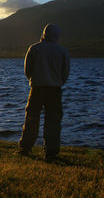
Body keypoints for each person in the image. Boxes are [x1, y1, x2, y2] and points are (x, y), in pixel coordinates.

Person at [18, 23, 70, 161]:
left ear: (44, 34)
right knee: (53, 121)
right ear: (56, 35)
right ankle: (51, 152)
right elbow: (65, 73)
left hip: (36, 88)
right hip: (54, 90)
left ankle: (25, 148)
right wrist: (58, 82)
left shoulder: (34, 49)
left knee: (31, 119)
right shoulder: (62, 51)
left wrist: (33, 80)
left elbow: (27, 70)